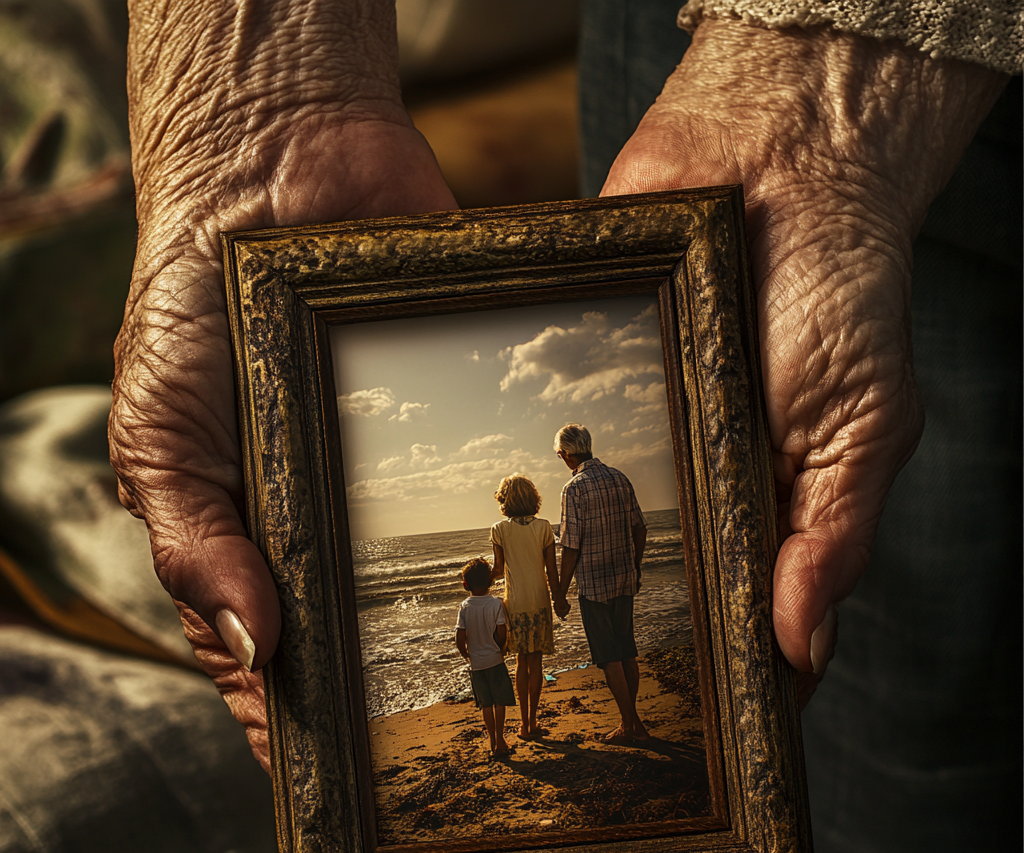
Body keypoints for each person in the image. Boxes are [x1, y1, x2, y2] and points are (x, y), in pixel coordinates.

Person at [109, 2, 1020, 848]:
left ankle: (554, 727)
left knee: (904, 711)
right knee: (910, 701)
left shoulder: (561, 508)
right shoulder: (601, 489)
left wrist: (828, 78)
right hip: (679, 32)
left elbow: (541, 562)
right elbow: (569, 549)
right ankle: (592, 720)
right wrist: (251, 100)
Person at [553, 423, 649, 742]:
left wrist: (561, 592)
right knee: (627, 652)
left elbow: (571, 546)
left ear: (566, 455)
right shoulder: (620, 477)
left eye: (559, 454)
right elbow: (640, 528)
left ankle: (628, 724)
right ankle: (634, 722)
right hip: (623, 579)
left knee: (608, 656)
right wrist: (634, 568)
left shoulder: (574, 488)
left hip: (594, 586)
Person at [489, 473, 565, 741]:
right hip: (539, 601)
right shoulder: (544, 527)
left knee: (522, 663)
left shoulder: (499, 530)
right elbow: (552, 573)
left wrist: (474, 581)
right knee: (537, 662)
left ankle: (523, 725)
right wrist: (559, 599)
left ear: (504, 499)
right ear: (533, 497)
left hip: (517, 603)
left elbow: (498, 571)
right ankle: (533, 722)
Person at [454, 557, 516, 758]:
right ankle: (501, 739)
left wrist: (466, 654)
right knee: (500, 702)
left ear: (466, 585)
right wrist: (501, 648)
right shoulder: (495, 604)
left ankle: (491, 739)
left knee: (486, 704)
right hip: (495, 661)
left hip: (477, 664)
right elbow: (501, 632)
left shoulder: (465, 606)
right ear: (491, 581)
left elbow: (460, 636)